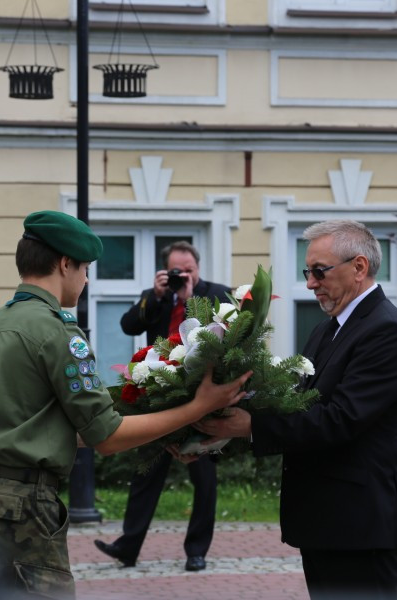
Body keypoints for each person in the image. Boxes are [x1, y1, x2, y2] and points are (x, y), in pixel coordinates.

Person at [0, 211, 251, 599]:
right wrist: (198, 408)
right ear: (66, 264)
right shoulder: (59, 331)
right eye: (85, 268)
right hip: (13, 506)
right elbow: (107, 436)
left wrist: (162, 435)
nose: (86, 279)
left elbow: (32, 424)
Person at [196, 220, 397, 600]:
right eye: (307, 271)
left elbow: (339, 420)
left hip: (359, 525)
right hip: (327, 520)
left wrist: (251, 427)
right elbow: (299, 404)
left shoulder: (387, 330)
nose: (311, 283)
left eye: (319, 271)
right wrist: (224, 409)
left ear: (359, 267)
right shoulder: (327, 328)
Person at [94, 240, 231, 572]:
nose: (182, 276)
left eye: (188, 270)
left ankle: (196, 551)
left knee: (204, 477)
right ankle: (128, 547)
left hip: (202, 400)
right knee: (147, 472)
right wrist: (155, 296)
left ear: (198, 269)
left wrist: (190, 301)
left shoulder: (217, 294)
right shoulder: (155, 296)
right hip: (158, 399)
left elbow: (231, 332)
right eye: (176, 271)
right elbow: (129, 326)